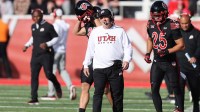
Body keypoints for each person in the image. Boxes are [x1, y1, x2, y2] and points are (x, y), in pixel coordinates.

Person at [83, 8, 132, 112]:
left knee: (117, 95)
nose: (104, 19)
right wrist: (86, 64)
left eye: (106, 17)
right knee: (98, 94)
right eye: (102, 17)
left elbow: (127, 47)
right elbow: (90, 49)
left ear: (111, 17)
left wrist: (127, 60)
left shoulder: (119, 30)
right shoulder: (95, 32)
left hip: (115, 67)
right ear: (99, 19)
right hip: (99, 68)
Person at [144, 1, 184, 112]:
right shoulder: (150, 24)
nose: (156, 18)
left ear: (165, 13)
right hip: (157, 62)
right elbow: (150, 39)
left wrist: (167, 51)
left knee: (176, 88)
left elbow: (181, 45)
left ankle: (179, 109)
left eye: (159, 15)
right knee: (154, 89)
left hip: (170, 62)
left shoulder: (172, 24)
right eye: (154, 15)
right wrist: (148, 53)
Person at [73, 1, 113, 112]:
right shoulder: (88, 26)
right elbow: (75, 32)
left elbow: (102, 30)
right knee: (85, 87)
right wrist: (79, 20)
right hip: (91, 60)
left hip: (102, 60)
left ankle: (116, 109)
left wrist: (93, 16)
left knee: (106, 90)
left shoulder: (105, 26)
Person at [23, 9, 62, 105]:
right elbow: (33, 37)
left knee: (48, 74)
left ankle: (57, 85)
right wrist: (27, 45)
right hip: (35, 55)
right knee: (34, 76)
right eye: (34, 16)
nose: (36, 18)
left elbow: (56, 37)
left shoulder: (48, 26)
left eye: (38, 16)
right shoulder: (33, 26)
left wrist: (47, 44)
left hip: (46, 54)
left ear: (42, 16)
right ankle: (34, 98)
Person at [40, 8, 76, 101]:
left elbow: (55, 38)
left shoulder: (56, 25)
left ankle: (51, 93)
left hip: (55, 50)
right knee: (62, 70)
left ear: (55, 15)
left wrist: (47, 44)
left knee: (51, 71)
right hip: (63, 50)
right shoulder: (65, 25)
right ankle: (70, 86)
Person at [177, 13, 200, 112]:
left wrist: (196, 56)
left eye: (186, 23)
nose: (184, 25)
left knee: (195, 90)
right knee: (179, 90)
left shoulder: (197, 33)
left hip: (193, 68)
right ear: (179, 23)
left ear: (190, 22)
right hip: (180, 67)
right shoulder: (176, 33)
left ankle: (196, 108)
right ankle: (180, 109)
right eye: (182, 23)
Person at [0, 13, 12, 78]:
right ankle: (9, 75)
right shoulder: (5, 25)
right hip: (3, 43)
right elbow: (8, 36)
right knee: (5, 59)